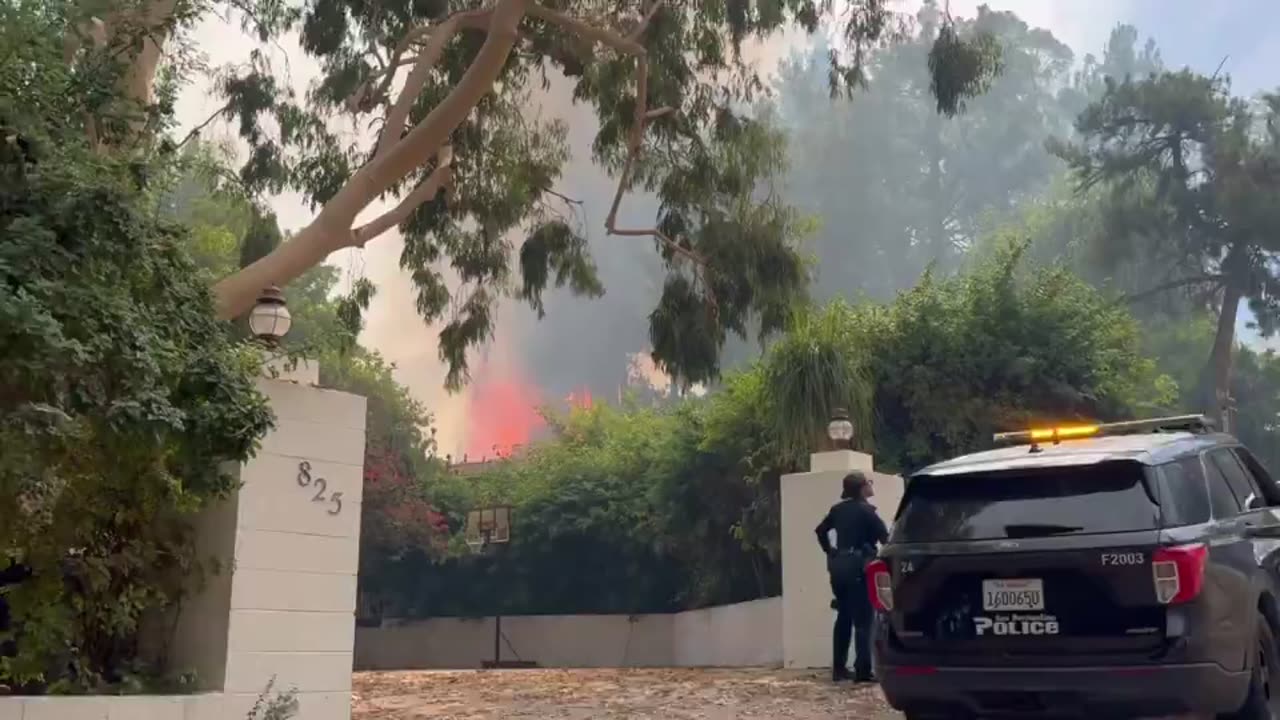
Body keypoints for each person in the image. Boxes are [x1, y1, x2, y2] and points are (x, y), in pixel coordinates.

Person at [815, 470, 888, 683]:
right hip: (859, 568)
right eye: (869, 483)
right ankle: (863, 670)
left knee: (844, 617)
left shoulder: (837, 510)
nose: (871, 486)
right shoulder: (867, 512)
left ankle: (839, 669)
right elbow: (886, 539)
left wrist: (830, 551)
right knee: (864, 620)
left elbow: (820, 531)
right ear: (862, 488)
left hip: (839, 569)